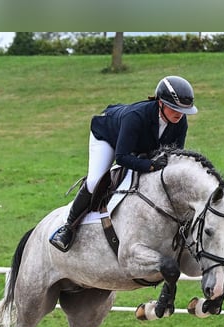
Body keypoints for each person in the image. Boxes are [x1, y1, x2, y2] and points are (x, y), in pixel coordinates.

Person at [49, 75, 198, 252]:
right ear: (160, 103)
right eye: (174, 109)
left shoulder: (180, 122)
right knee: (95, 180)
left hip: (140, 144)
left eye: (183, 111)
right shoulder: (135, 116)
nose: (179, 115)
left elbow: (173, 155)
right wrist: (149, 165)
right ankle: (68, 228)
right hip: (108, 137)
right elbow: (122, 157)